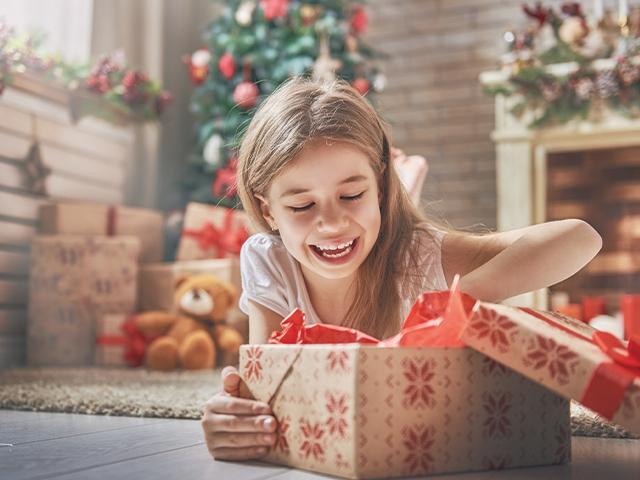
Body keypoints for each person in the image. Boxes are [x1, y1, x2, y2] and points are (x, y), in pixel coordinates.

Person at [201, 77, 602, 462]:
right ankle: (402, 184)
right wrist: (233, 419)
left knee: (398, 232)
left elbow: (580, 238)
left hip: (400, 239)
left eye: (352, 195)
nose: (332, 222)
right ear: (268, 210)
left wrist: (453, 306)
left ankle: (404, 185)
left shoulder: (419, 255)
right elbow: (263, 391)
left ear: (377, 184)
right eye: (302, 206)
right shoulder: (268, 258)